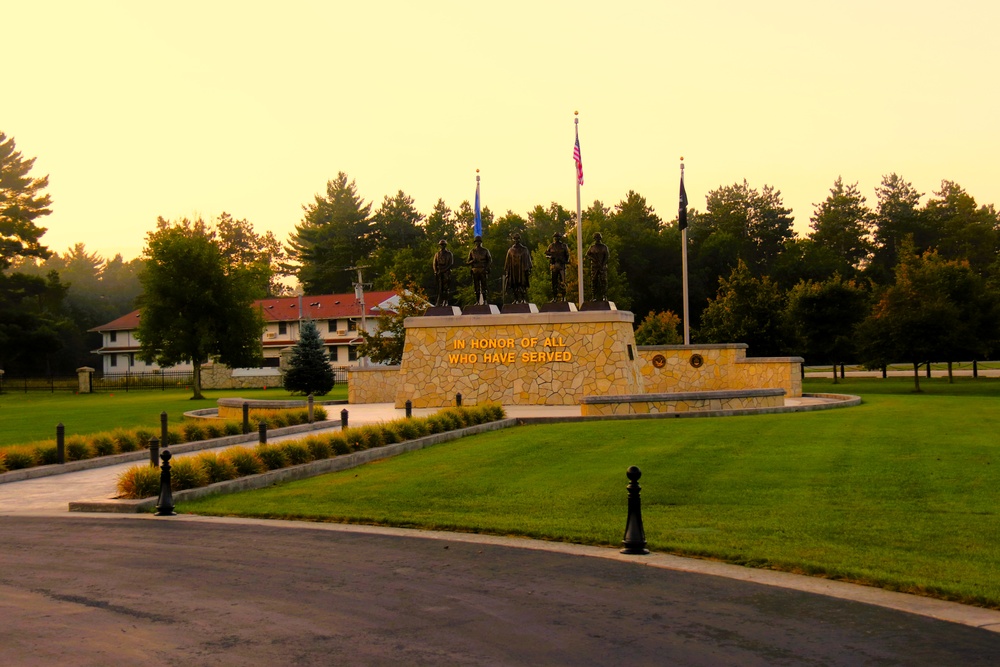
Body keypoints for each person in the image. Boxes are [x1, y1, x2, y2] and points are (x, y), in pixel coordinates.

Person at [503, 233, 532, 304]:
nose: (516, 240)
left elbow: (528, 260)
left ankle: (523, 298)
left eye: (518, 239)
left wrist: (528, 269)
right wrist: (507, 271)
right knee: (514, 285)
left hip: (522, 270)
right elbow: (507, 262)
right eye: (515, 239)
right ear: (513, 240)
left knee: (522, 284)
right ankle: (516, 299)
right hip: (513, 270)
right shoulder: (510, 250)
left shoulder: (524, 249)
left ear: (520, 239)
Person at [466, 235, 492, 305]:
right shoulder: (472, 251)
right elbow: (467, 262)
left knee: (484, 285)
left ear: (481, 242)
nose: (478, 243)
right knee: (476, 286)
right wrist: (472, 261)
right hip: (475, 270)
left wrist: (486, 268)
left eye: (479, 242)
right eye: (476, 242)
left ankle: (485, 300)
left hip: (483, 269)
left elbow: (489, 260)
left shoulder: (485, 250)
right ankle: (477, 301)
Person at [544, 232, 570, 301]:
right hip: (554, 265)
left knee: (563, 282)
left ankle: (563, 297)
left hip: (561, 266)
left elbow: (567, 255)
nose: (556, 238)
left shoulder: (564, 246)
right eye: (555, 237)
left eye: (558, 237)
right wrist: (551, 257)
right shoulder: (551, 246)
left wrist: (565, 261)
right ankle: (555, 297)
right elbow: (547, 254)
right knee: (554, 282)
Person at [585, 232, 609, 302]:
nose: (597, 239)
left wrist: (603, 264)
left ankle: (604, 296)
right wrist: (593, 259)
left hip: (602, 266)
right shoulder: (592, 247)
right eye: (596, 238)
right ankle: (594, 296)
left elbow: (607, 257)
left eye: (598, 238)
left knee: (603, 281)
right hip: (594, 267)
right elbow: (588, 255)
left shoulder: (604, 247)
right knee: (594, 281)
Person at [432, 239, 454, 306]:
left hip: (446, 272)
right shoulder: (437, 254)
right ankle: (439, 301)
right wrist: (436, 271)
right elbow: (434, 263)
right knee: (439, 288)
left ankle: (445, 301)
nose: (442, 246)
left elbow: (451, 263)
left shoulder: (449, 254)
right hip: (439, 272)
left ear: (445, 245)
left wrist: (445, 270)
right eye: (441, 245)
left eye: (443, 245)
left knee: (446, 288)